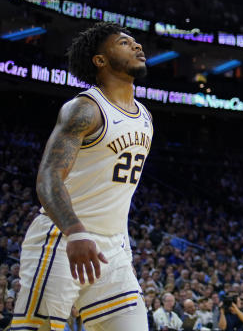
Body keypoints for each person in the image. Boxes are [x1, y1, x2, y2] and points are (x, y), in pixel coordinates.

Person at [11, 22, 152, 331]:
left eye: (136, 42)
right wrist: (75, 231)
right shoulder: (84, 109)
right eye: (125, 43)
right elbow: (49, 175)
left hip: (112, 250)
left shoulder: (145, 116)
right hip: (63, 239)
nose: (137, 47)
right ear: (100, 60)